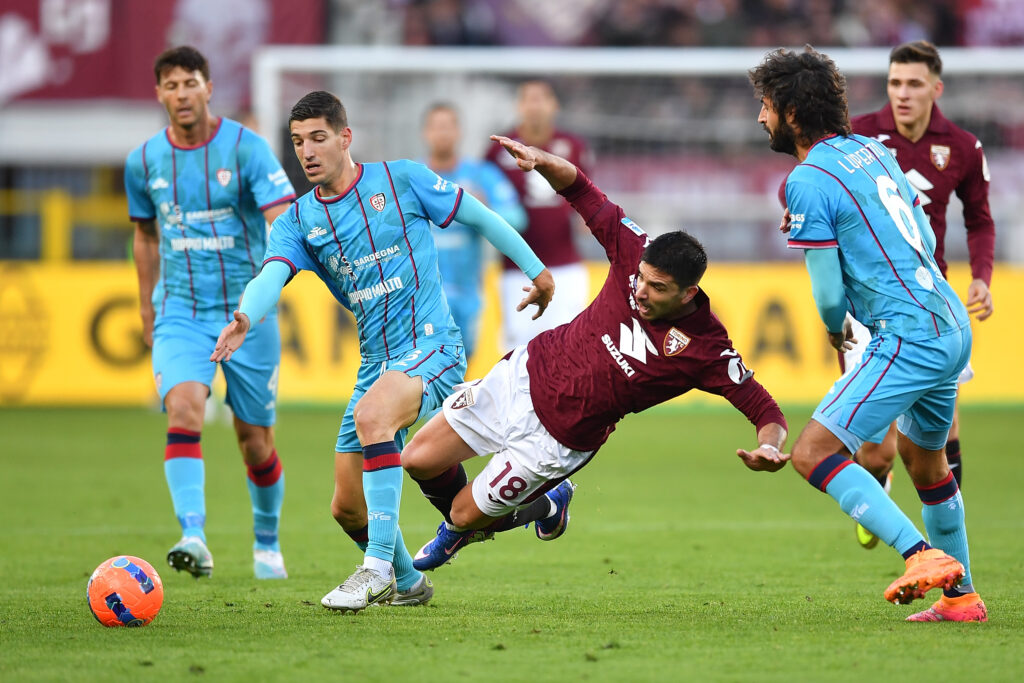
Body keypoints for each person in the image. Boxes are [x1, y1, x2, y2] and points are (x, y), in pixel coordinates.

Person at [210, 91, 554, 612]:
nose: (307, 152)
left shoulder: (403, 179)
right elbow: (271, 275)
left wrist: (537, 271)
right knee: (347, 507)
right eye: (298, 142)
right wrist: (244, 314)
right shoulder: (298, 221)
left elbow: (480, 218)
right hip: (377, 363)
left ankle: (374, 571)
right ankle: (411, 580)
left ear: (346, 138)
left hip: (433, 344)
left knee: (374, 417)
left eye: (318, 138)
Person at [403, 135, 789, 574]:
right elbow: (583, 192)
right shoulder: (632, 249)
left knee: (463, 513)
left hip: (557, 441)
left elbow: (766, 409)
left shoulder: (707, 348)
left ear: (689, 293)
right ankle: (535, 507)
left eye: (657, 288)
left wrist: (769, 448)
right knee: (417, 459)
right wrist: (541, 160)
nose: (641, 292)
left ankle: (465, 526)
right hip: (524, 376)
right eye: (641, 279)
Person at [751, 46, 986, 622]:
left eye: (765, 105)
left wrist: (836, 332)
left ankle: (920, 556)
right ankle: (962, 599)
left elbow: (830, 298)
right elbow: (921, 238)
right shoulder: (873, 151)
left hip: (907, 334)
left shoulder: (807, 178)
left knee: (812, 454)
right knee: (925, 463)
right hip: (949, 321)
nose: (760, 118)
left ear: (792, 112)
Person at [124, 46, 295, 580]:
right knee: (184, 412)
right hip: (181, 312)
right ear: (159, 93)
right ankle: (193, 535)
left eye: (190, 82)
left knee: (255, 440)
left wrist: (265, 293)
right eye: (171, 85)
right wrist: (146, 307)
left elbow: (283, 220)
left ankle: (266, 542)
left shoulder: (247, 150)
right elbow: (146, 236)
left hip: (246, 316)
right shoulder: (144, 161)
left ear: (209, 86)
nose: (181, 94)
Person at [842, 41, 996, 548]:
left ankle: (953, 534)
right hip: (871, 306)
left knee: (944, 430)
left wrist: (981, 276)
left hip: (933, 306)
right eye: (894, 83)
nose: (902, 94)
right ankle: (877, 485)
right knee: (876, 451)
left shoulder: (963, 146)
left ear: (936, 87)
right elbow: (805, 184)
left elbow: (979, 219)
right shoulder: (860, 135)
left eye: (912, 84)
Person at [485, 79, 591, 351]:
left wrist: (585, 218)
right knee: (519, 353)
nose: (535, 106)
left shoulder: (573, 146)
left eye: (541, 98)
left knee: (570, 349)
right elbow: (483, 197)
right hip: (517, 270)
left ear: (553, 105)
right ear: (519, 106)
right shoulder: (499, 149)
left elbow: (590, 192)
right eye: (528, 99)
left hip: (566, 265)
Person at [422, 102, 527, 359]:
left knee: (460, 365)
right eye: (436, 127)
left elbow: (517, 218)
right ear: (425, 133)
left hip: (467, 291)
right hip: (423, 292)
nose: (442, 133)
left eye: (448, 127)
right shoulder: (415, 176)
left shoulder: (480, 175)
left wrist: (485, 209)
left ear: (459, 132)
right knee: (426, 364)